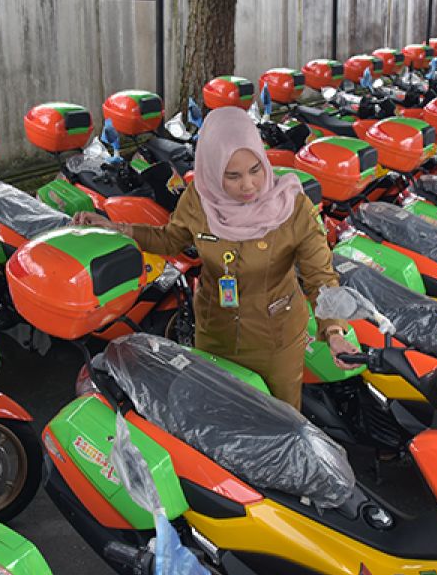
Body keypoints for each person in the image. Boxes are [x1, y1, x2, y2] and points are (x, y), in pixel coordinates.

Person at [73, 105, 358, 409]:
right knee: (219, 416)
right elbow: (171, 239)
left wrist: (334, 330)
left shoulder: (292, 207)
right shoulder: (199, 198)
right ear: (210, 168)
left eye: (255, 170)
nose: (248, 186)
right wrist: (118, 228)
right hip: (215, 334)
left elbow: (321, 276)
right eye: (232, 176)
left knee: (277, 420)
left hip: (276, 341)